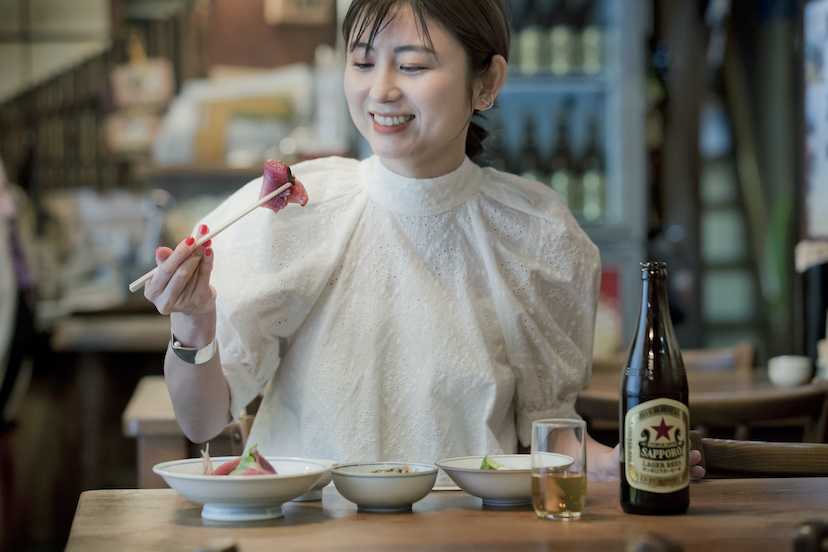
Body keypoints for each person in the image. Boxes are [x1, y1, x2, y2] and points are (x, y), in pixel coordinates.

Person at [145, 0, 703, 482]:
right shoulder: (298, 209)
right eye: (362, 62)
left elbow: (546, 430)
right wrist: (194, 325)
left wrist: (605, 463)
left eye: (411, 64)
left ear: (486, 82)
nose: (381, 89)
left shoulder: (536, 230)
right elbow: (203, 420)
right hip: (312, 525)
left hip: (470, 529)